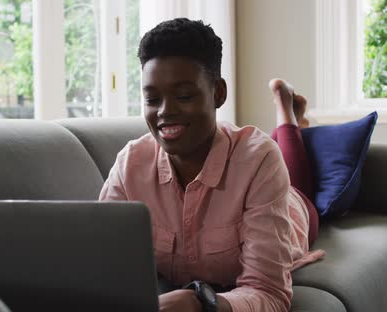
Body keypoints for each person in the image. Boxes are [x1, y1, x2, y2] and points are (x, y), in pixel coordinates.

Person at [99, 18, 323, 312]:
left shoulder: (260, 160)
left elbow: (270, 292)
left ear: (218, 93)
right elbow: (100, 267)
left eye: (184, 96)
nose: (165, 112)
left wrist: (204, 305)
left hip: (294, 211)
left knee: (299, 183)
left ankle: (288, 115)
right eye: (152, 99)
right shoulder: (130, 165)